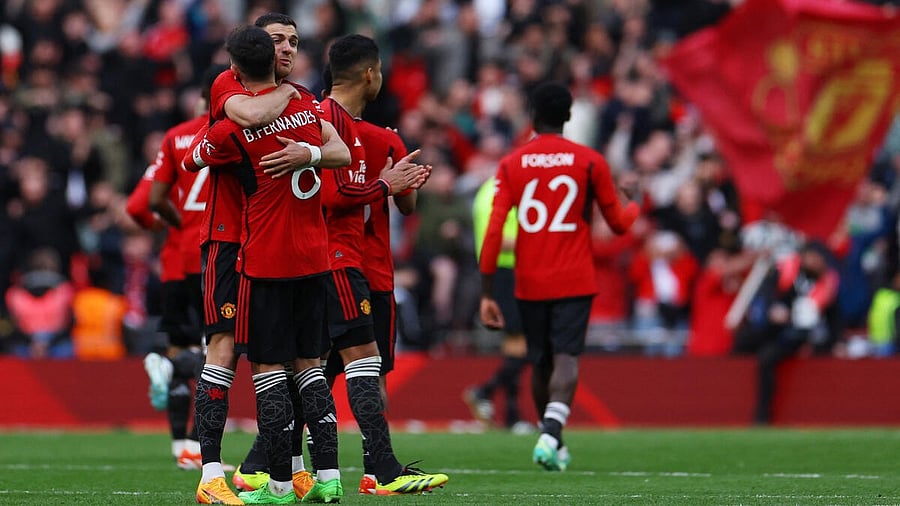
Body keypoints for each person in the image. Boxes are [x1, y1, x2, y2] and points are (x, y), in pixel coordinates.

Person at [189, 16, 351, 504]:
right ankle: (211, 474)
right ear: (257, 49)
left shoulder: (299, 99)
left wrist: (307, 150)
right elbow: (241, 120)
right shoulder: (232, 86)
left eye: (295, 42)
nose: (287, 49)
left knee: (285, 362)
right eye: (278, 40)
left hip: (270, 246)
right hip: (230, 239)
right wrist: (290, 102)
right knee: (226, 348)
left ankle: (293, 473)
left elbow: (334, 149)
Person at [479, 82, 639, 471]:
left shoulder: (512, 163)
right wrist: (634, 203)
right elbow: (618, 225)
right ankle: (551, 434)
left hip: (529, 280)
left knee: (540, 360)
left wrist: (487, 291)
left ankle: (552, 438)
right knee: (566, 356)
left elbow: (494, 231)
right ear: (568, 117)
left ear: (532, 116)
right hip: (574, 278)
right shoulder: (590, 161)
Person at [318, 33, 449, 495]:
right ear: (371, 74)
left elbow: (397, 197)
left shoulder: (326, 124)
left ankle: (284, 464)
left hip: (341, 265)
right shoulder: (367, 134)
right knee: (362, 366)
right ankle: (376, 469)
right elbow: (390, 202)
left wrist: (400, 181)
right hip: (352, 265)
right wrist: (394, 183)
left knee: (326, 368)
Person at [732, 240, 841, 425]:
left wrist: (835, 341)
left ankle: (763, 415)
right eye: (811, 257)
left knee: (767, 357)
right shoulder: (786, 272)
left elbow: (833, 317)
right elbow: (768, 292)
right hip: (774, 329)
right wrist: (773, 308)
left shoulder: (826, 284)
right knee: (743, 342)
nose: (814, 262)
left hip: (797, 336)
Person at [465, 175, 531, 431]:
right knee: (525, 343)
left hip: (512, 272)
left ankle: (511, 414)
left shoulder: (501, 188)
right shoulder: (496, 192)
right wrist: (540, 240)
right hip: (503, 272)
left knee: (516, 344)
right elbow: (497, 239)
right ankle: (486, 393)